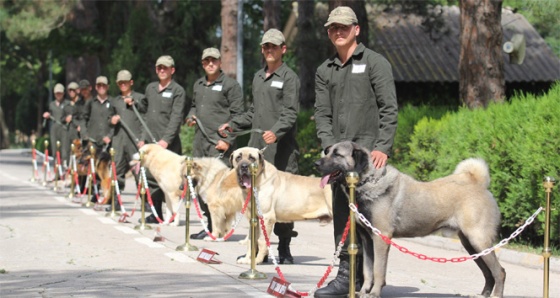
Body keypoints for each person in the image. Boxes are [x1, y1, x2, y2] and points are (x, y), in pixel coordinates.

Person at [313, 6, 398, 297]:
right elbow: (321, 113)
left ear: (356, 29)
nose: (338, 31)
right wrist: (329, 146)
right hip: (340, 159)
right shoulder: (325, 70)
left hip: (369, 161)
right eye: (333, 27)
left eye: (344, 27)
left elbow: (389, 108)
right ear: (328, 32)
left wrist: (383, 147)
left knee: (371, 221)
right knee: (342, 215)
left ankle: (371, 278)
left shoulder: (375, 63)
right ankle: (346, 276)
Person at [219, 29, 300, 264]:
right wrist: (232, 126)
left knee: (281, 202)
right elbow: (253, 112)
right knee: (253, 202)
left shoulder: (289, 77)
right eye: (265, 46)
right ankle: (256, 250)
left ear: (283, 49)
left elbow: (290, 113)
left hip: (281, 151)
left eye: (274, 46)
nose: (269, 50)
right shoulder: (257, 77)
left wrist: (276, 131)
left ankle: (284, 248)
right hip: (255, 153)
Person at [187, 47, 244, 239]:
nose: (210, 64)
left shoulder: (231, 85)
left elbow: (238, 115)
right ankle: (210, 225)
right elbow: (194, 106)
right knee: (202, 187)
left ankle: (220, 227)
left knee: (218, 188)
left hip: (218, 146)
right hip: (200, 143)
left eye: (214, 60)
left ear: (220, 62)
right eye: (206, 61)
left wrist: (227, 141)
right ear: (203, 64)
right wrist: (190, 117)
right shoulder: (198, 84)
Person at [136, 55, 189, 224]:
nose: (161, 70)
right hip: (151, 145)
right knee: (151, 178)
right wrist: (143, 138)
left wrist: (166, 140)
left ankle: (173, 214)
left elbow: (176, 117)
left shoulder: (178, 91)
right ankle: (156, 212)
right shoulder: (151, 88)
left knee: (170, 182)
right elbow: (145, 114)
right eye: (159, 67)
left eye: (165, 68)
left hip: (168, 146)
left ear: (172, 70)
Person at [108, 70, 146, 211]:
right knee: (116, 171)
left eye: (125, 82)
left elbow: (145, 117)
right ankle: (115, 201)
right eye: (120, 83)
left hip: (135, 141)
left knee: (139, 171)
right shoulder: (115, 101)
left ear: (131, 82)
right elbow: (108, 120)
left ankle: (145, 201)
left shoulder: (140, 98)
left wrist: (143, 139)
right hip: (118, 141)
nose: (123, 85)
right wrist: (112, 120)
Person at [83, 76, 115, 152]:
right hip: (92, 142)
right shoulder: (90, 102)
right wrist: (85, 134)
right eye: (99, 85)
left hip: (108, 143)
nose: (101, 87)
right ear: (96, 87)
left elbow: (116, 123)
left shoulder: (113, 102)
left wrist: (110, 136)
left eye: (104, 85)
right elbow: (83, 119)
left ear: (107, 87)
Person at [43, 83, 69, 169]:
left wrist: (69, 118)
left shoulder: (67, 104)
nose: (58, 95)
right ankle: (57, 170)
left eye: (60, 93)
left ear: (63, 93)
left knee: (64, 150)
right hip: (54, 129)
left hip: (64, 128)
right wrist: (47, 115)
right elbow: (50, 113)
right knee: (55, 150)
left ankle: (65, 169)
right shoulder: (52, 104)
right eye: (57, 93)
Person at [62, 81, 84, 168]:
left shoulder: (81, 104)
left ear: (77, 91)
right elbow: (62, 118)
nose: (71, 92)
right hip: (69, 132)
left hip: (78, 132)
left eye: (73, 90)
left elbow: (83, 117)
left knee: (78, 152)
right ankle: (68, 171)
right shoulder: (66, 105)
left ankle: (78, 172)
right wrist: (66, 119)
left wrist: (80, 126)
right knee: (67, 152)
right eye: (70, 90)